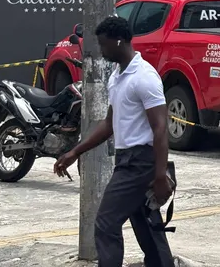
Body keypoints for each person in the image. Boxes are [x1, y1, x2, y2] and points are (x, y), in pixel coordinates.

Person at [54, 16, 174, 267]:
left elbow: (160, 129)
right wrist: (76, 151)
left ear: (119, 41)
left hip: (139, 162)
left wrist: (161, 176)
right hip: (129, 159)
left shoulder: (144, 77)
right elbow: (109, 124)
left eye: (104, 44)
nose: (101, 50)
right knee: (147, 226)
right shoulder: (118, 77)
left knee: (106, 223)